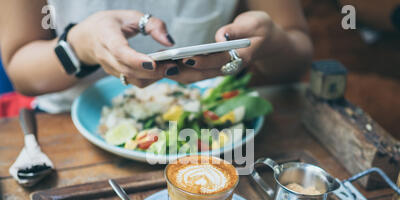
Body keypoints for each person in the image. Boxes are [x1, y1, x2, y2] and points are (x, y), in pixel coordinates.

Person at [0, 0, 313, 113]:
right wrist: (79, 46)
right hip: (68, 126)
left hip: (204, 131)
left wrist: (270, 43)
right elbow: (20, 69)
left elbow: (297, 57)